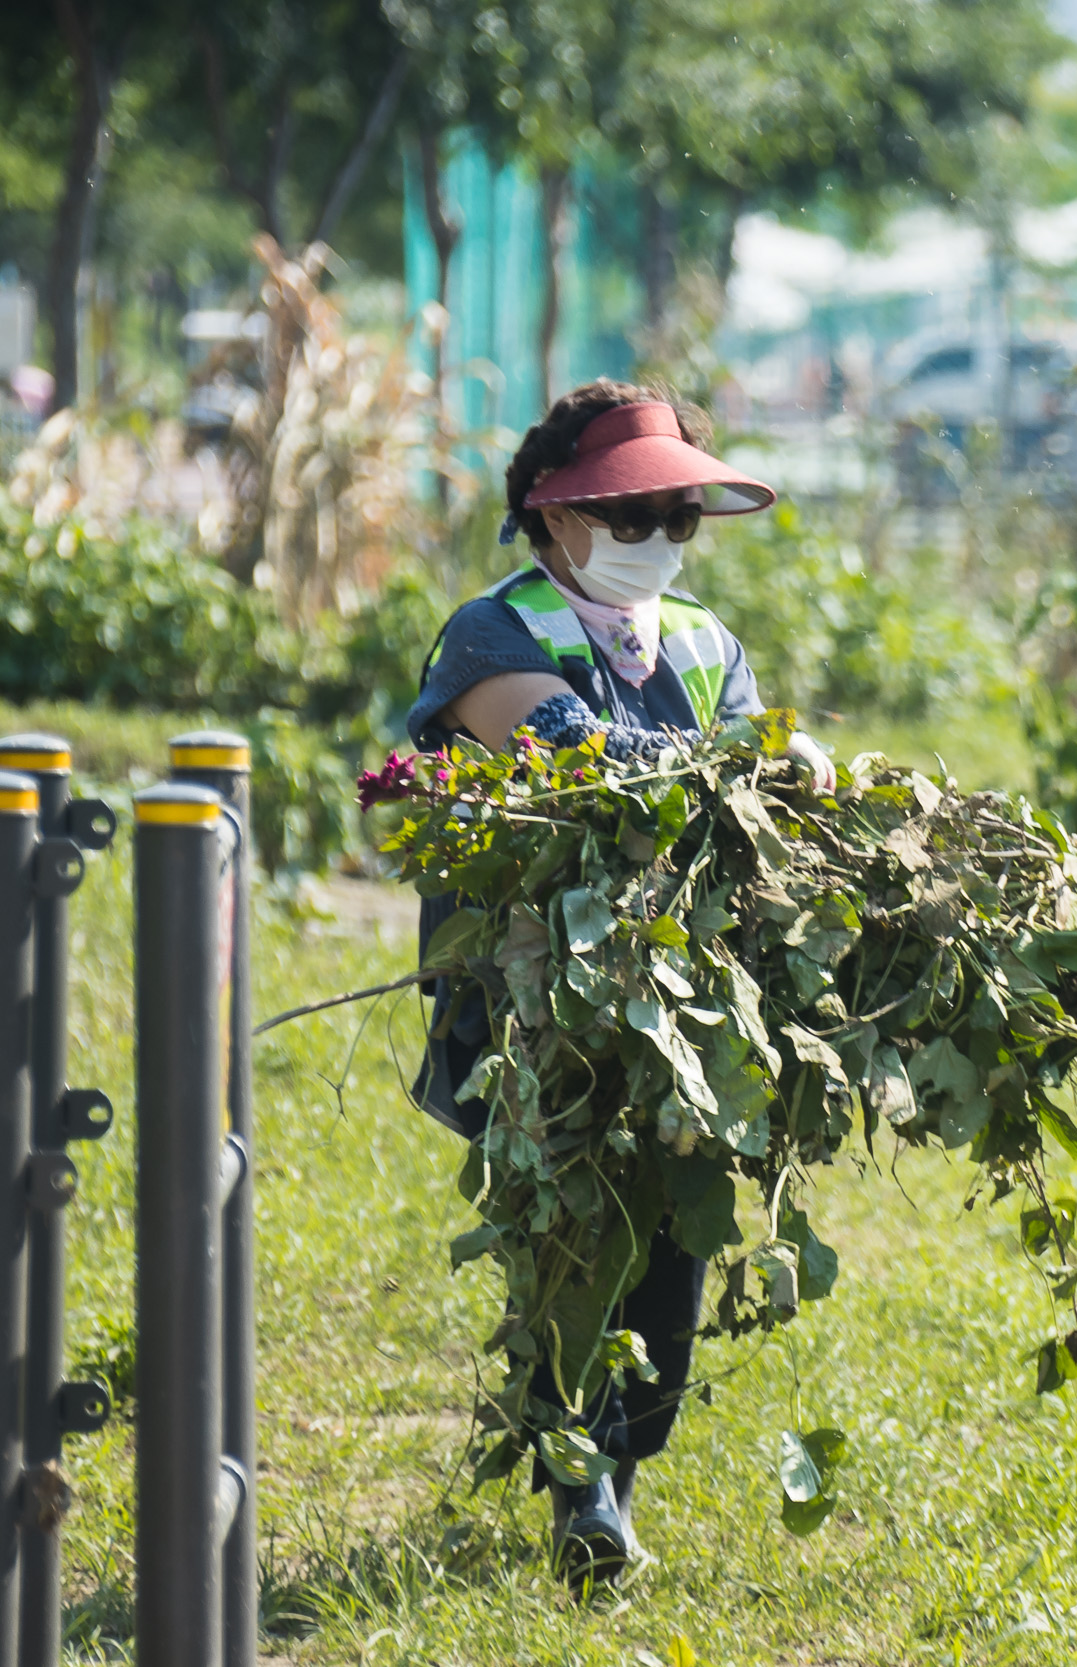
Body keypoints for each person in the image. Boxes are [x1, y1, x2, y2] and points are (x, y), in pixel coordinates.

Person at [404, 379, 837, 1587]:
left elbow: (764, 803)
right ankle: (578, 1486)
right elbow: (578, 759)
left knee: (673, 1250)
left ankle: (617, 1484)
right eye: (627, 513)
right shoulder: (495, 632)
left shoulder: (707, 645)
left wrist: (790, 770)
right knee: (567, 1228)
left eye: (674, 518)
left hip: (690, 1001)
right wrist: (756, 758)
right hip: (533, 998)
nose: (654, 539)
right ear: (551, 515)